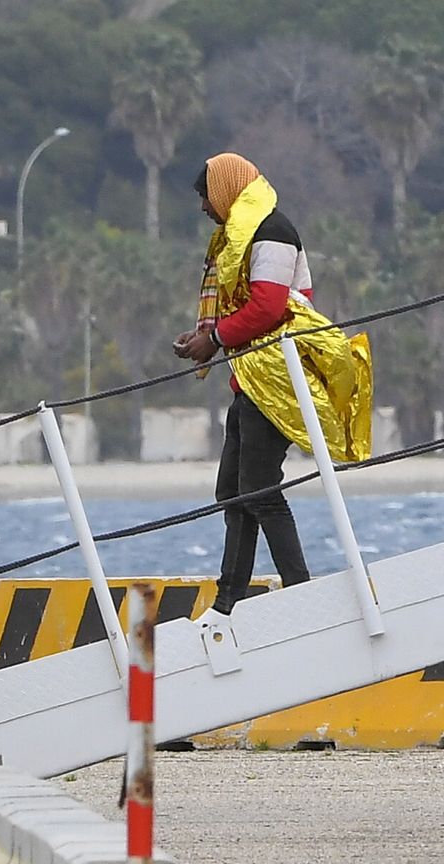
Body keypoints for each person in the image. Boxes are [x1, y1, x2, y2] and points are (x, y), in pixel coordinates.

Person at [173, 152, 373, 625]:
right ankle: (228, 601)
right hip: (251, 377)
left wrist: (214, 337)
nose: (204, 208)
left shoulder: (272, 233)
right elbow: (252, 308)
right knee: (233, 490)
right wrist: (204, 335)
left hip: (280, 380)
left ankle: (298, 590)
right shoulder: (245, 235)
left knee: (259, 489)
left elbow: (266, 308)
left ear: (224, 190)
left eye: (206, 196)